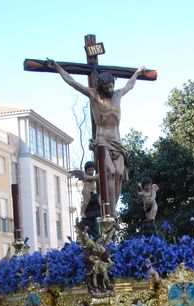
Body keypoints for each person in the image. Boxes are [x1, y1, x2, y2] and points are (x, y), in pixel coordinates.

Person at [49, 60, 144, 215]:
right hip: (102, 141)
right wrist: (58, 68)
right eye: (106, 87)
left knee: (119, 173)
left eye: (111, 86)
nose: (110, 89)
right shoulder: (94, 95)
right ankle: (111, 214)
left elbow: (130, 85)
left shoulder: (118, 94)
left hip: (117, 141)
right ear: (101, 87)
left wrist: (137, 73)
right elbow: (72, 82)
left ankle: (113, 210)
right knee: (110, 172)